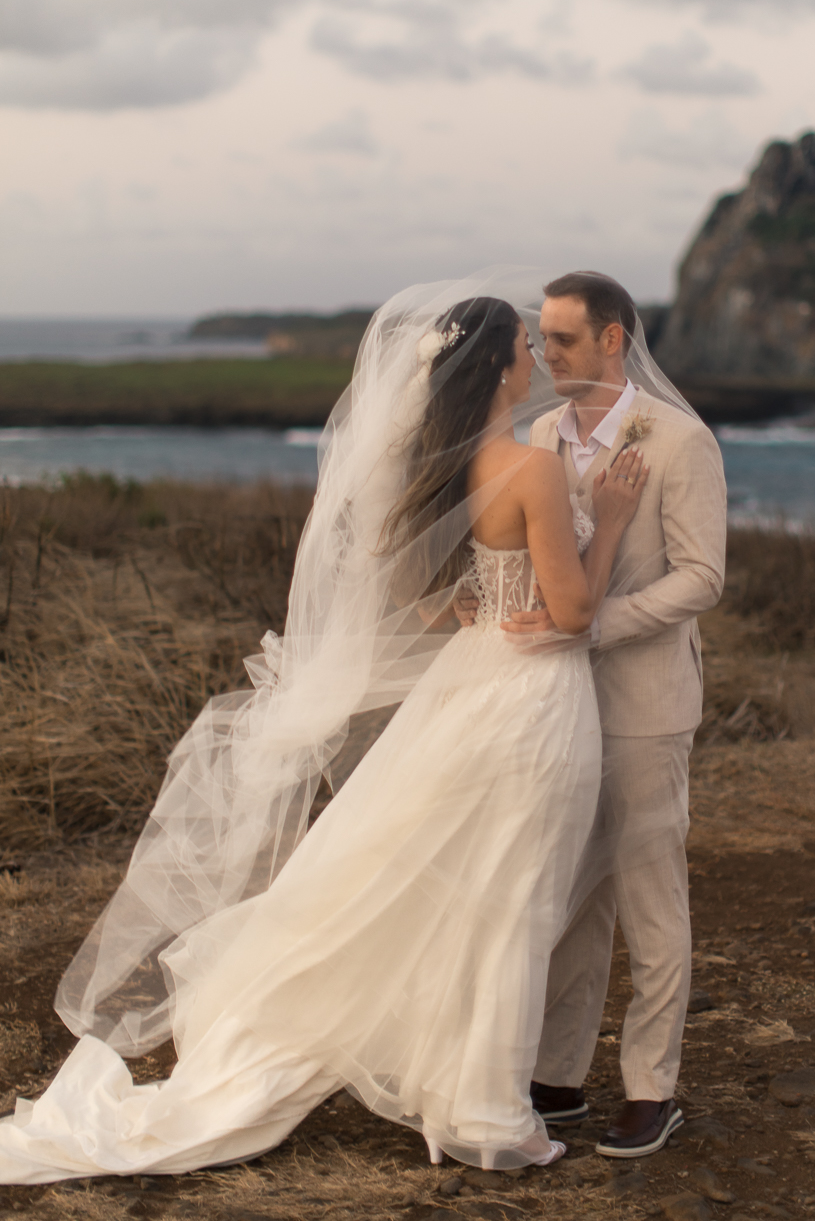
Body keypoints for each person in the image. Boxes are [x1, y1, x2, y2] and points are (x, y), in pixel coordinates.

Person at [0, 282, 650, 1184]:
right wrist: (609, 523)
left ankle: (471, 1094)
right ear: (498, 367)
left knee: (463, 887)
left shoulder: (446, 467)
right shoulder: (531, 468)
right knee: (511, 895)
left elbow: (425, 604)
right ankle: (487, 1113)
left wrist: (482, 600)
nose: (536, 359)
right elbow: (574, 611)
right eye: (525, 348)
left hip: (472, 683)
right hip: (533, 700)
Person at [500, 271, 727, 1160]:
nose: (544, 354)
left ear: (613, 339)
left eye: (561, 339)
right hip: (555, 708)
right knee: (568, 888)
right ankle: (556, 1076)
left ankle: (649, 1088)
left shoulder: (680, 440)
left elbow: (703, 576)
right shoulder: (536, 438)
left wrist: (587, 630)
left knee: (648, 893)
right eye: (540, 340)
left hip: (644, 703)